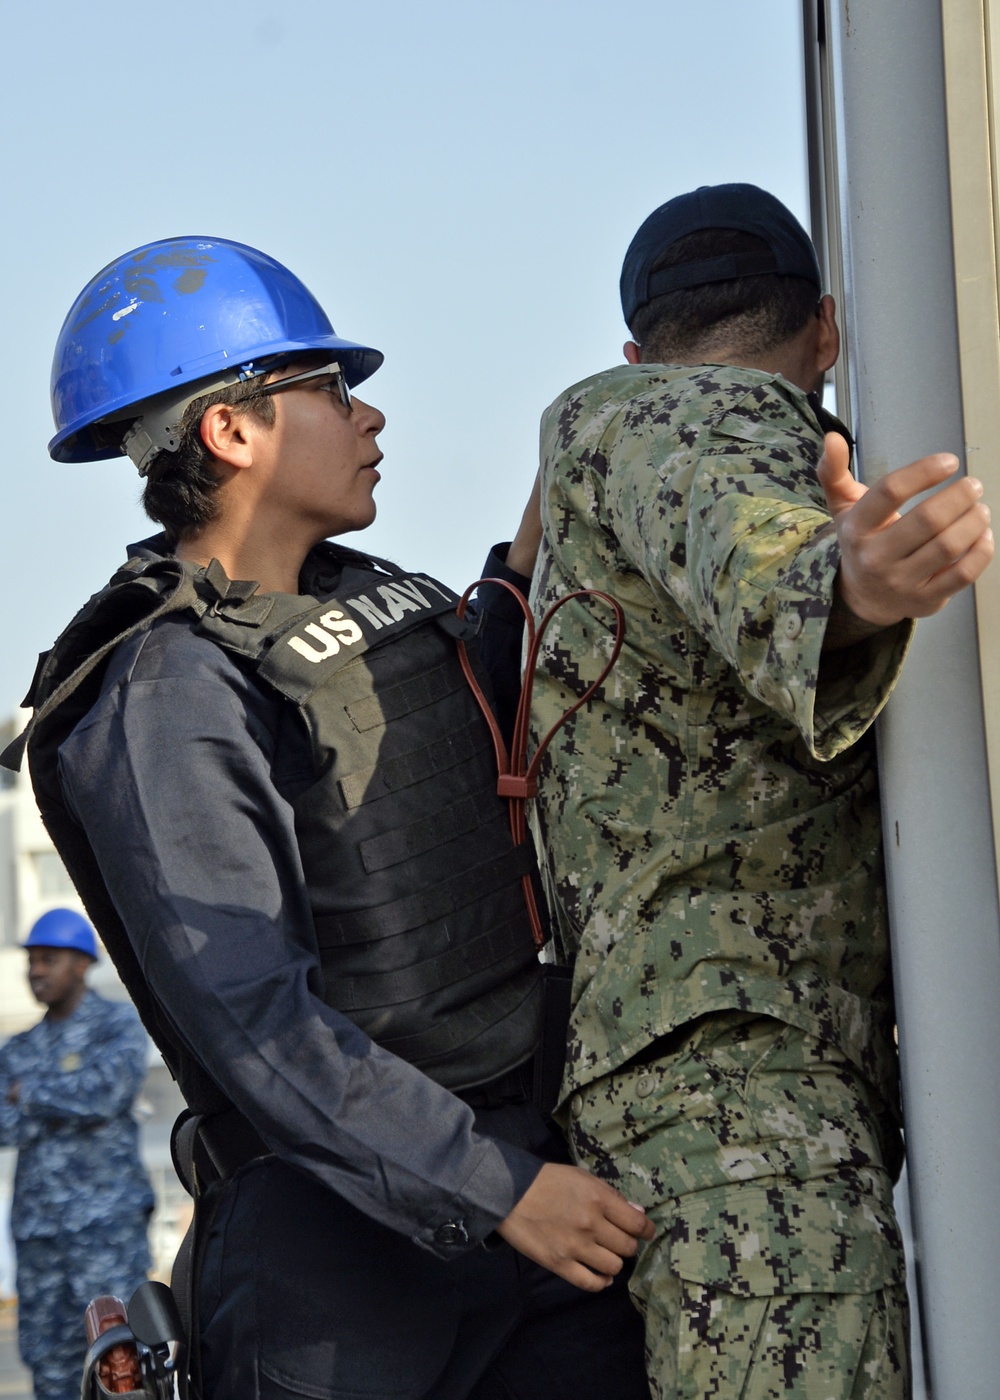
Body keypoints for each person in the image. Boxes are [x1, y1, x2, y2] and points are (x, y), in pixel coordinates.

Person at [0, 237, 653, 1400]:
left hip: (531, 1201)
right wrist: (498, 1188)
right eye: (332, 391)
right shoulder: (164, 689)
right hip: (345, 1256)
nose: (373, 417)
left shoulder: (368, 602)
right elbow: (254, 1015)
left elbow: (469, 696)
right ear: (231, 430)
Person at [526, 183, 994, 1399]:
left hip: (732, 1081)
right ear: (826, 329)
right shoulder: (675, 414)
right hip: (746, 1103)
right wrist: (846, 579)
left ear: (637, 338)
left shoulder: (613, 434)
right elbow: (744, 526)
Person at [0, 907, 153, 1400]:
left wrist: (33, 1095)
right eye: (31, 962)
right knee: (49, 1364)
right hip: (40, 1237)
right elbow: (3, 1125)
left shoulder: (117, 1024)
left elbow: (109, 1092)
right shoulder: (18, 1049)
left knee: (119, 1363)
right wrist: (65, 1095)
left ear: (83, 964)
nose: (36, 971)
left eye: (49, 960)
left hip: (104, 1230)